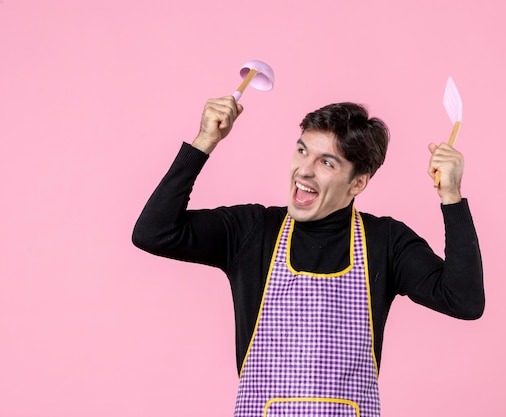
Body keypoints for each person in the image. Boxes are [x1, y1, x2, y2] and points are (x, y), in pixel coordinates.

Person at [132, 96, 484, 417]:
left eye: (326, 162)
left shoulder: (386, 242)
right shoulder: (252, 231)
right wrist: (204, 142)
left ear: (357, 183)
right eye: (302, 151)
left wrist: (451, 195)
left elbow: (463, 300)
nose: (304, 170)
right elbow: (154, 232)